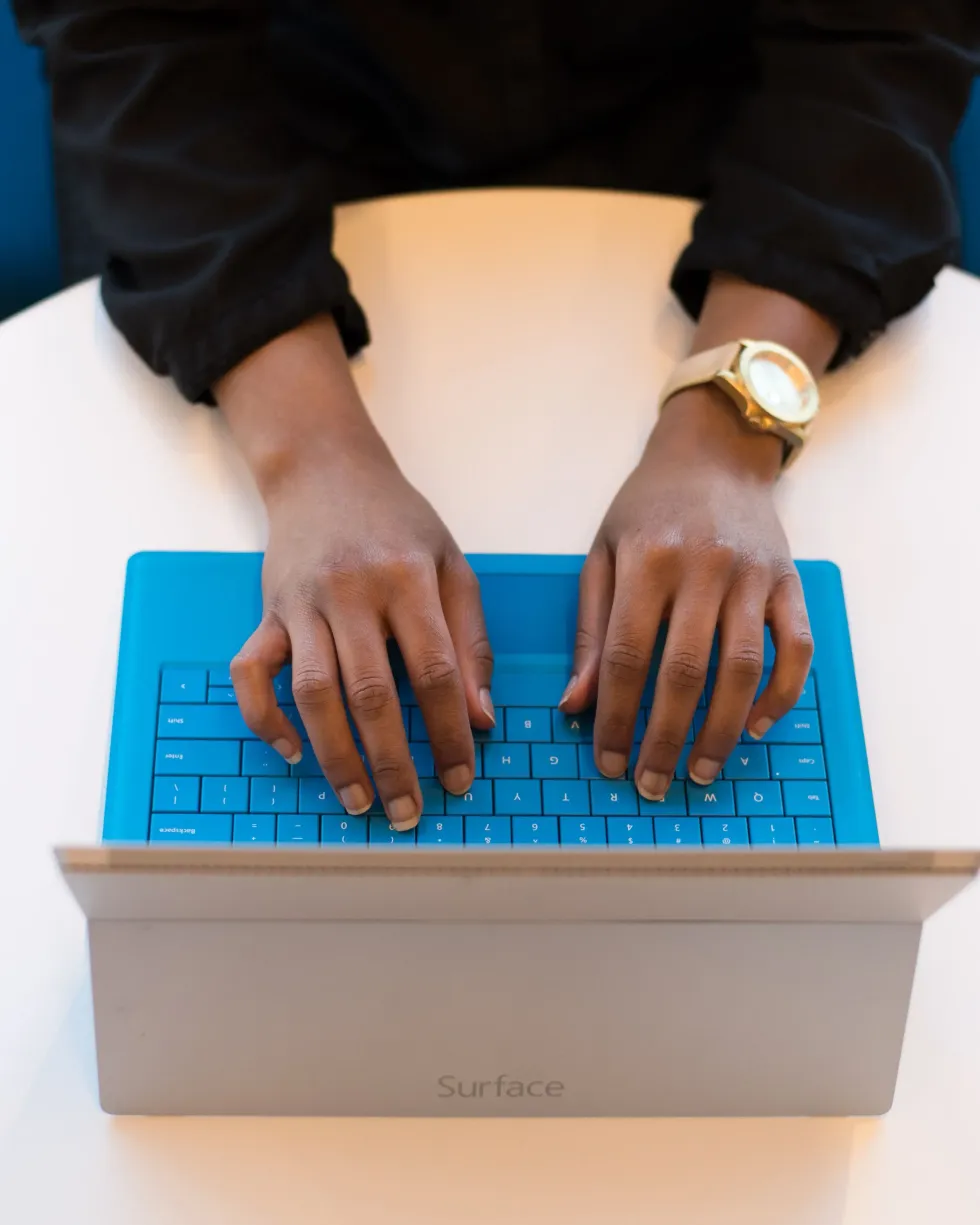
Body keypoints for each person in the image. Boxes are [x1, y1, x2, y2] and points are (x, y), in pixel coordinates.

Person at [16, 2, 980, 832]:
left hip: (739, 158)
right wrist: (315, 456)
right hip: (267, 162)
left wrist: (724, 438)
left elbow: (886, 30)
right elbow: (134, 33)